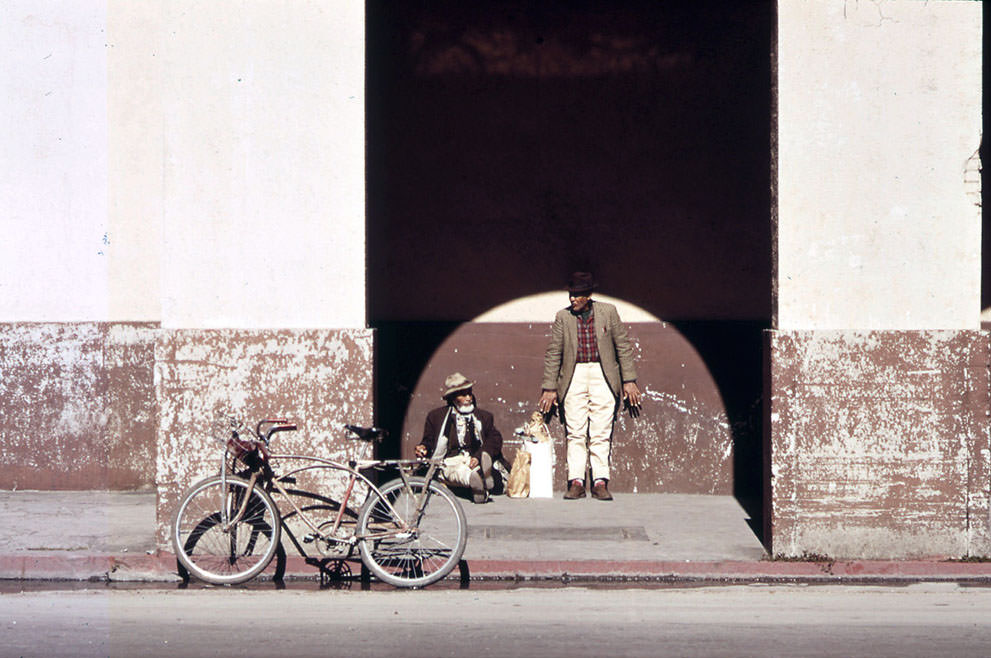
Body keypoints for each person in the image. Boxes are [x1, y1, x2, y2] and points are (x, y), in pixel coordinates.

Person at [538, 272, 642, 500]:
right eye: (571, 295)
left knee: (601, 431)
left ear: (588, 295)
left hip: (602, 374)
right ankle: (576, 481)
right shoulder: (563, 317)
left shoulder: (608, 312)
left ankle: (599, 481)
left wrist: (629, 380)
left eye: (577, 295)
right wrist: (549, 386)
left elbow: (623, 346)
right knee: (575, 430)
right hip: (574, 374)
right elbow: (553, 352)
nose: (572, 299)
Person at [415, 372, 504, 503]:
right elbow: (428, 441)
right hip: (451, 462)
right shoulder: (436, 417)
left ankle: (482, 479)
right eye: (463, 395)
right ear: (453, 398)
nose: (469, 398)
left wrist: (479, 457)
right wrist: (423, 448)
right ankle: (478, 482)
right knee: (459, 472)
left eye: (470, 393)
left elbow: (495, 439)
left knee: (477, 468)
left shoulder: (484, 417)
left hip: (473, 459)